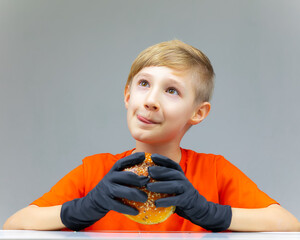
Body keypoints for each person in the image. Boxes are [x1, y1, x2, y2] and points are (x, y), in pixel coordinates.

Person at [3, 40, 300, 232]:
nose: (151, 100)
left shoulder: (213, 172)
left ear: (198, 112)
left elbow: (289, 226)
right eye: (144, 84)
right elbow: (14, 226)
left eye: (171, 90)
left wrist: (211, 213)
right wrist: (82, 209)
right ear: (127, 95)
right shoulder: (94, 172)